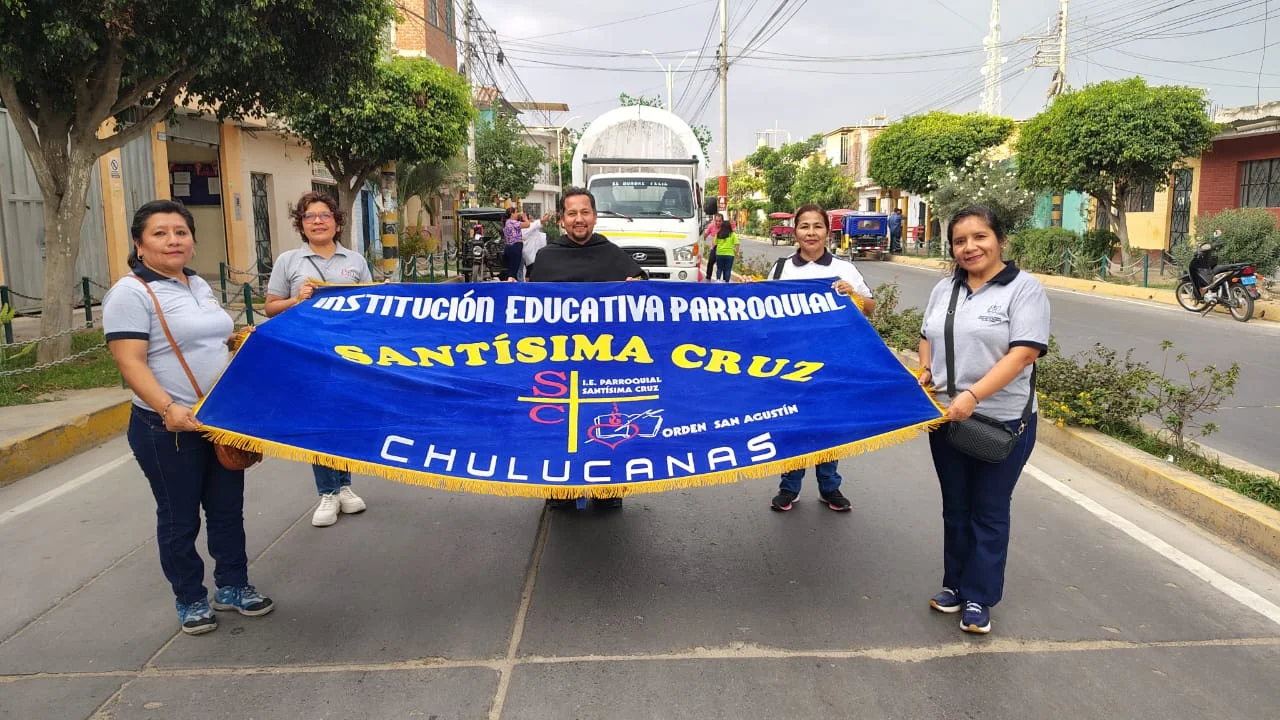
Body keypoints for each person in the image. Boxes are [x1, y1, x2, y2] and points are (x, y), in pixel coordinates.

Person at [104, 200, 274, 636]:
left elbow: (210, 338)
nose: (173, 240)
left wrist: (238, 340)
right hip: (167, 426)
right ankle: (190, 597)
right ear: (140, 245)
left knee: (226, 509)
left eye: (180, 231)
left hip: (217, 419)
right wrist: (167, 408)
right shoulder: (130, 293)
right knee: (180, 516)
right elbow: (131, 362)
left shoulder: (198, 284)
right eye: (160, 233)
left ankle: (233, 585)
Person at [918, 205, 1050, 635]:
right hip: (947, 418)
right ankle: (954, 585)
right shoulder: (945, 290)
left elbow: (1023, 353)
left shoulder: (1024, 290)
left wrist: (974, 395)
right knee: (955, 508)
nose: (970, 247)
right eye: (960, 241)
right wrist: (926, 371)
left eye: (980, 237)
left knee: (989, 511)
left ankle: (979, 596)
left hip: (1002, 423)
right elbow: (926, 338)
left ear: (1000, 241)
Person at [264, 191, 373, 528]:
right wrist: (297, 299)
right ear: (302, 224)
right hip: (307, 353)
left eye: (324, 215)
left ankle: (344, 486)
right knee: (316, 420)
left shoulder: (354, 261)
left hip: (347, 354)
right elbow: (270, 307)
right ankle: (327, 491)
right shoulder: (288, 262)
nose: (317, 221)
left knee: (342, 419)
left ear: (336, 221)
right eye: (310, 216)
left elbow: (372, 305)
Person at [532, 187, 645, 509]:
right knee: (557, 426)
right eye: (572, 213)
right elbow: (529, 310)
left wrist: (639, 287)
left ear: (594, 216)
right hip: (557, 364)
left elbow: (645, 303)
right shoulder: (546, 258)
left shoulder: (613, 255)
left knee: (605, 425)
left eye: (585, 212)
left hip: (604, 366)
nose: (579, 219)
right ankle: (560, 489)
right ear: (561, 220)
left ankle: (607, 490)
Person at [766, 203, 876, 513]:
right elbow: (764, 312)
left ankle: (830, 486)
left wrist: (852, 294)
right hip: (789, 363)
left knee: (829, 425)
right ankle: (789, 486)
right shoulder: (780, 269)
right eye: (804, 226)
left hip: (833, 362)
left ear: (827, 231)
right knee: (794, 423)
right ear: (795, 231)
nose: (811, 232)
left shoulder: (844, 269)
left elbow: (870, 307)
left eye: (817, 226)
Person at [521, 211, 553, 280]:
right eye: (531, 218)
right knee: (530, 272)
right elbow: (541, 221)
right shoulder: (528, 228)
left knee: (531, 271)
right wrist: (548, 215)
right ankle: (529, 286)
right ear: (526, 219)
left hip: (532, 254)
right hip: (531, 255)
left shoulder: (528, 227)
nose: (533, 220)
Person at [713, 216, 739, 282]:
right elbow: (737, 244)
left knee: (719, 268)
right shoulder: (732, 234)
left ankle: (718, 280)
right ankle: (726, 282)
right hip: (729, 254)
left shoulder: (718, 234)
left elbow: (715, 243)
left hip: (719, 254)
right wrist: (737, 252)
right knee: (728, 269)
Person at [502, 207, 524, 281]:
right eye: (516, 212)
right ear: (512, 213)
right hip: (516, 247)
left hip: (509, 246)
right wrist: (525, 218)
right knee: (514, 273)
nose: (518, 214)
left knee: (511, 271)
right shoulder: (513, 222)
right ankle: (513, 287)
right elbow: (527, 225)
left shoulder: (506, 223)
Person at [703, 213, 722, 281]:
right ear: (714, 220)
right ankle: (708, 278)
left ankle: (722, 280)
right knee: (710, 263)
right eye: (716, 221)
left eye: (719, 221)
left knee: (721, 266)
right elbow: (705, 235)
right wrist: (701, 243)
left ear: (722, 221)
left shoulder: (725, 227)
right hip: (714, 249)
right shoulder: (711, 226)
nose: (718, 222)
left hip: (722, 249)